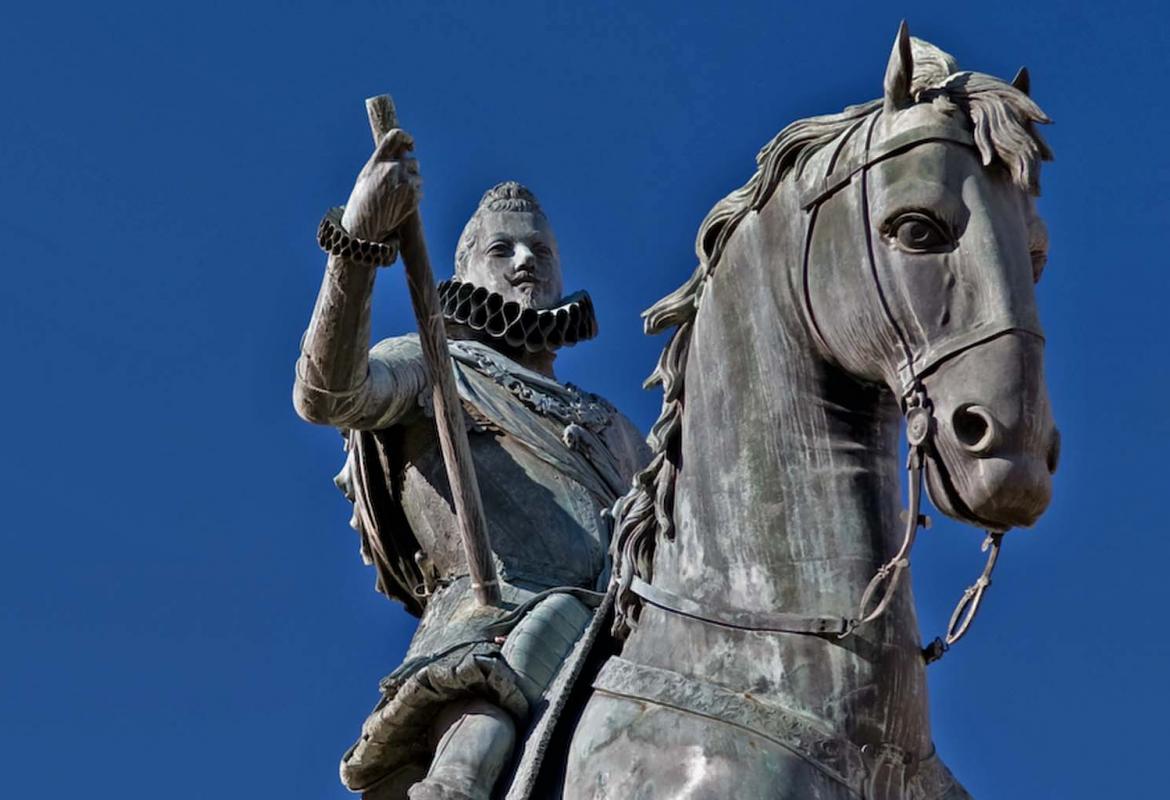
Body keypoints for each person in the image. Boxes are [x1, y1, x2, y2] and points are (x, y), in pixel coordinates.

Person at [293, 127, 648, 800]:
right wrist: (358, 244)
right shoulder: (435, 364)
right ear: (464, 272)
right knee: (480, 731)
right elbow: (328, 394)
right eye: (502, 249)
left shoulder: (617, 426)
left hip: (631, 634)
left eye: (541, 249)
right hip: (497, 625)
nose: (526, 262)